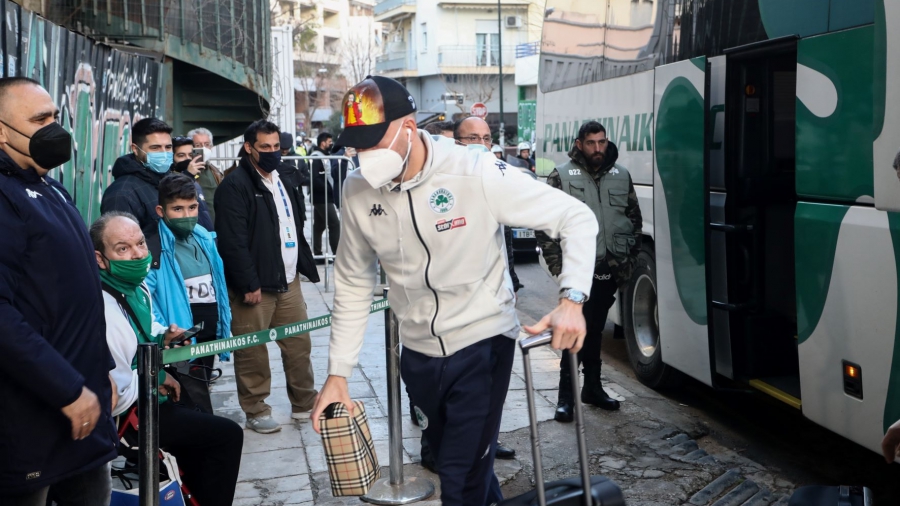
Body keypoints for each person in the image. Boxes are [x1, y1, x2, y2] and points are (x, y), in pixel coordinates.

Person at [311, 76, 598, 506]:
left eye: (374, 141)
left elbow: (576, 218)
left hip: (482, 345)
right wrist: (338, 374)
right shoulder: (357, 190)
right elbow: (353, 280)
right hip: (418, 355)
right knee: (464, 465)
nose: (364, 155)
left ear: (408, 129)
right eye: (358, 144)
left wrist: (572, 300)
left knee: (458, 477)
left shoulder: (473, 170)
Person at [0, 76, 118, 505]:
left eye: (55, 116)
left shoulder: (49, 186)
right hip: (35, 418)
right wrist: (67, 389)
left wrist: (99, 368)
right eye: (39, 119)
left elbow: (76, 292)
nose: (54, 128)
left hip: (83, 411)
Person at [92, 212, 243, 505]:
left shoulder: (137, 288)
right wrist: (157, 378)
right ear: (100, 259)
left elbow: (145, 331)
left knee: (201, 429)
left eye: (140, 245)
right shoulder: (103, 307)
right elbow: (116, 396)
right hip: (131, 417)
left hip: (150, 399)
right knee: (227, 436)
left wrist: (165, 337)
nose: (137, 255)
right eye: (123, 249)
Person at [215, 119, 320, 433]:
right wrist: (248, 283)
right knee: (252, 352)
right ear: (249, 148)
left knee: (299, 346)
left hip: (288, 280)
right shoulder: (235, 186)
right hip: (255, 287)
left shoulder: (283, 177)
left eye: (277, 147)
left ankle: (305, 404)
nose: (273, 153)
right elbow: (232, 241)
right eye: (265, 147)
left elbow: (293, 224)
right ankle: (256, 410)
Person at [537, 121, 642, 422]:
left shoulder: (621, 175)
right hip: (578, 271)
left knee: (595, 328)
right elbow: (545, 227)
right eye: (592, 143)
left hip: (611, 267)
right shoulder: (562, 175)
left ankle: (592, 388)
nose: (598, 149)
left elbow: (634, 221)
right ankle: (565, 397)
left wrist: (628, 263)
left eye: (602, 142)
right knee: (575, 330)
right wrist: (560, 270)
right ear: (580, 143)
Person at [145, 173, 231, 413]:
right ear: (161, 211)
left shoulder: (204, 237)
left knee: (201, 393)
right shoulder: (152, 248)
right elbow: (146, 301)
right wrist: (166, 333)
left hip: (209, 333)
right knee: (197, 405)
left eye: (192, 207)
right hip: (181, 341)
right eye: (178, 209)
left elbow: (218, 287)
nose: (187, 216)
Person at [101, 118, 212, 236]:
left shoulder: (172, 181)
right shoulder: (122, 193)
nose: (164, 153)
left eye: (168, 147)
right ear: (135, 149)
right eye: (155, 148)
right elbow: (122, 244)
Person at [170, 136, 215, 231]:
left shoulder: (200, 175)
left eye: (190, 155)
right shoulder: (169, 179)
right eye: (181, 155)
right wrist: (188, 174)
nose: (187, 159)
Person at [309, 132, 341, 259]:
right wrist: (329, 190)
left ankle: (317, 254)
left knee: (319, 226)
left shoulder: (324, 155)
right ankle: (336, 255)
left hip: (324, 196)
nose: (331, 144)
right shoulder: (316, 157)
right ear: (323, 143)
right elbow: (315, 179)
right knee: (335, 224)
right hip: (322, 198)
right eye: (329, 141)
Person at [187, 127, 223, 222]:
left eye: (207, 144)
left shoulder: (215, 171)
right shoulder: (186, 171)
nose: (203, 148)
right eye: (198, 145)